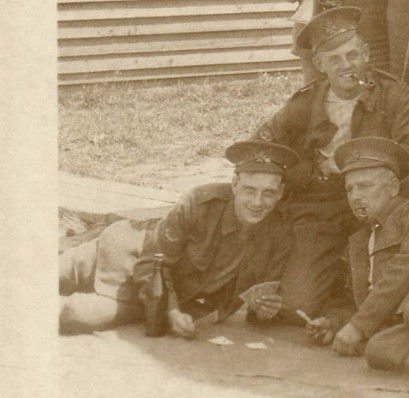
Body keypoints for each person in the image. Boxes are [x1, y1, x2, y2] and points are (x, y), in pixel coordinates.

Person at [254, 6, 409, 320]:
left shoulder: (393, 94)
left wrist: (361, 166)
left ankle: (358, 287)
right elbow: (263, 149)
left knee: (391, 293)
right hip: (321, 206)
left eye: (352, 55)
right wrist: (310, 172)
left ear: (366, 54)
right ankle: (336, 284)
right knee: (296, 307)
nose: (346, 66)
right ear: (320, 65)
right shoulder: (306, 102)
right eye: (335, 59)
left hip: (376, 202)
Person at [59, 141, 298, 335]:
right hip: (125, 252)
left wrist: (265, 311)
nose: (257, 202)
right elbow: (152, 261)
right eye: (249, 190)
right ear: (235, 185)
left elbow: (258, 301)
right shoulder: (200, 202)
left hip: (158, 297)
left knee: (77, 315)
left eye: (268, 193)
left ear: (280, 193)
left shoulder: (281, 231)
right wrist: (171, 311)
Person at [304, 138, 409, 360]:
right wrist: (335, 323)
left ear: (393, 187)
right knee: (380, 350)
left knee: (390, 340)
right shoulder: (362, 239)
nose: (355, 196)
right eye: (349, 189)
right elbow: (360, 300)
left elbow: (404, 273)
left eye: (364, 186)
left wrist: (358, 326)